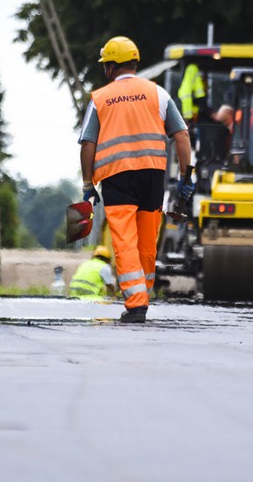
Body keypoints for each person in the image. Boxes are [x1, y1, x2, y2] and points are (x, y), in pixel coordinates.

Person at [78, 36, 193, 323]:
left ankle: (136, 301)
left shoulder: (100, 98)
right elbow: (182, 135)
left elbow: (87, 144)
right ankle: (144, 293)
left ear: (111, 68)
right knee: (146, 237)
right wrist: (185, 176)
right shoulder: (158, 94)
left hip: (117, 177)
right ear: (135, 63)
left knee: (124, 239)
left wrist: (88, 184)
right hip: (153, 175)